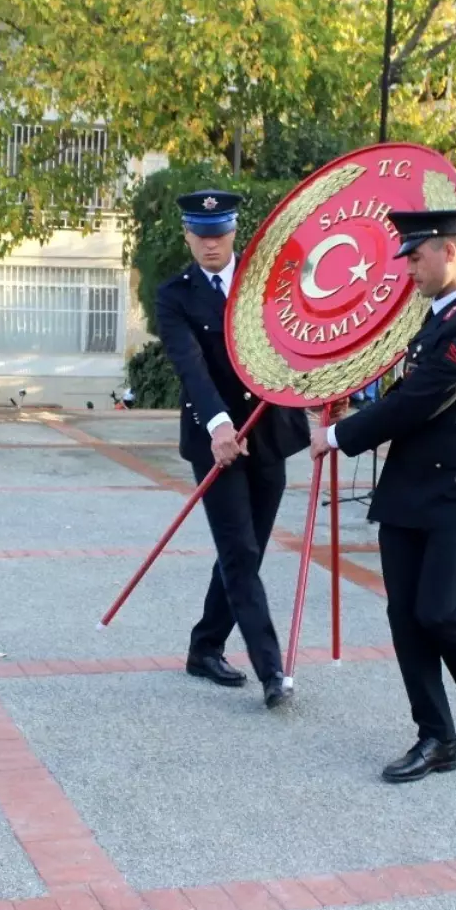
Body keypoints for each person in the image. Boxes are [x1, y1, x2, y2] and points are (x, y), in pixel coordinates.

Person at [310, 208, 456, 783]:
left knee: (437, 609)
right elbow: (402, 389)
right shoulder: (440, 315)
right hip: (409, 491)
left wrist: (337, 436)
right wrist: (355, 407)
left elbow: (419, 402)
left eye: (416, 257)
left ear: (449, 252)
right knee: (405, 617)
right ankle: (436, 738)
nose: (408, 270)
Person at [156, 190, 311, 709]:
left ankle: (205, 646)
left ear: (234, 232)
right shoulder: (174, 296)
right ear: (187, 236)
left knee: (247, 551)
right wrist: (219, 425)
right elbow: (191, 367)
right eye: (199, 235)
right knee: (240, 553)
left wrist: (330, 387)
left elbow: (301, 338)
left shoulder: (266, 281)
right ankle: (272, 670)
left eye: (218, 233)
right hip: (215, 440)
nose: (209, 244)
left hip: (268, 433)